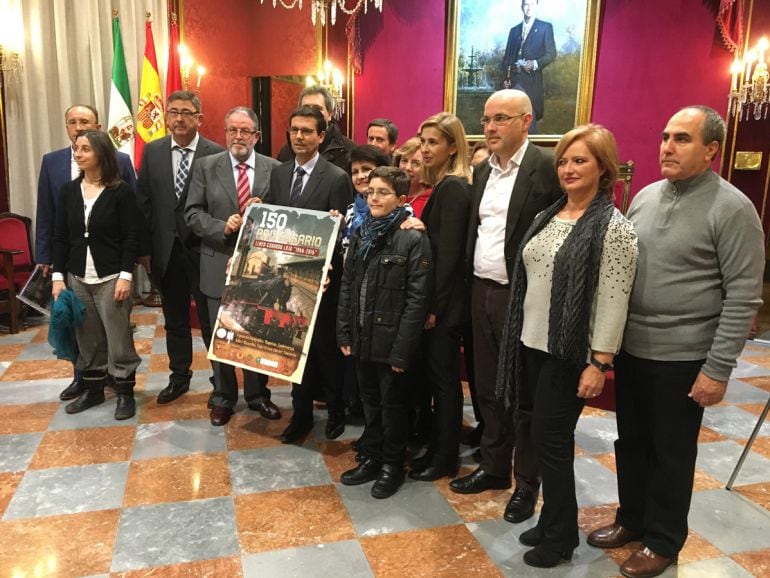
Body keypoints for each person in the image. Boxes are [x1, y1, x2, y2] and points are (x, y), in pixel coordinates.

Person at [587, 106, 764, 578]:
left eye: (682, 139)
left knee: (671, 453)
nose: (667, 146)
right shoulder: (644, 196)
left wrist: (717, 368)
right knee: (632, 443)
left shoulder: (733, 208)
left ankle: (663, 539)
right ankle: (632, 519)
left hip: (685, 356)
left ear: (711, 150)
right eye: (665, 136)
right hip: (634, 351)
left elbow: (744, 295)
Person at [496, 124, 638, 568]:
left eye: (580, 160)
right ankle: (552, 519)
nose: (569, 169)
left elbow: (613, 302)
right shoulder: (550, 213)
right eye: (563, 160)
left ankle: (560, 540)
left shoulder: (614, 229)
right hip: (531, 344)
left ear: (603, 168)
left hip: (569, 353)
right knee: (541, 439)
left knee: (551, 443)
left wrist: (599, 362)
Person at [450, 90, 562, 528]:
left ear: (525, 121)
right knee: (489, 387)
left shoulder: (547, 169)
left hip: (525, 296)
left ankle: (526, 484)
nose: (491, 127)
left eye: (500, 119)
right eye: (486, 119)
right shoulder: (482, 172)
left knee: (524, 395)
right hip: (482, 290)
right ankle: (494, 468)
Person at [261, 105, 355, 443]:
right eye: (294, 130)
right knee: (293, 348)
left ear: (321, 135)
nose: (299, 136)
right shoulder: (279, 173)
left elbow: (343, 234)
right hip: (286, 277)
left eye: (306, 131)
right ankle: (300, 415)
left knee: (326, 352)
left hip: (323, 281)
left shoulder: (336, 177)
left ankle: (335, 412)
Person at [337, 166, 433, 498]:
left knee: (393, 405)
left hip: (392, 340)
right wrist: (345, 332)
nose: (374, 197)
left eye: (382, 192)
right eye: (370, 192)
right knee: (370, 402)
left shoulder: (413, 239)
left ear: (402, 199)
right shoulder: (363, 232)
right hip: (364, 336)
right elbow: (348, 285)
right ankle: (372, 457)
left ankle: (393, 464)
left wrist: (402, 350)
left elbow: (417, 300)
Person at [185, 106, 282, 427]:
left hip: (260, 267)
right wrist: (220, 227)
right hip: (218, 262)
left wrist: (265, 209)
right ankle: (224, 397)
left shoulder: (275, 169)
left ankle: (258, 395)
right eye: (232, 130)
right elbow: (192, 214)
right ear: (225, 133)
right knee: (220, 334)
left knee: (254, 333)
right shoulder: (205, 167)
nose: (237, 137)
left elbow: (287, 216)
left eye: (245, 131)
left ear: (257, 135)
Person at [36, 105, 136, 402]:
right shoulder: (68, 190)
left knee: (118, 338)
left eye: (84, 149)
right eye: (76, 148)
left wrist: (127, 274)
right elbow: (58, 233)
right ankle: (92, 390)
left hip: (111, 275)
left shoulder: (119, 191)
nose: (77, 153)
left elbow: (131, 233)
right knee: (87, 337)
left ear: (100, 153)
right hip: (77, 275)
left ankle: (124, 393)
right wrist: (57, 276)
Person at [135, 90, 225, 405]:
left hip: (204, 252)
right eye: (173, 112)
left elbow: (220, 205)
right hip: (165, 252)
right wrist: (144, 251)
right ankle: (179, 376)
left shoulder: (216, 154)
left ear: (199, 118)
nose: (179, 118)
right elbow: (143, 203)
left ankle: (221, 381)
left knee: (211, 320)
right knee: (174, 319)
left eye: (186, 112)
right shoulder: (153, 151)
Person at [408, 112, 471, 481]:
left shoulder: (453, 187)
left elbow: (448, 257)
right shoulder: (446, 185)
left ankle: (445, 457)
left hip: (444, 307)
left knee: (444, 384)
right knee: (437, 381)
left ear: (452, 147)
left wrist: (433, 308)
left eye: (434, 142)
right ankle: (436, 448)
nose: (425, 148)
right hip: (441, 303)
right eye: (423, 140)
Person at [501, 0, 556, 132]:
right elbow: (507, 58)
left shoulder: (545, 27)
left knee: (529, 124)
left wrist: (535, 63)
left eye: (532, 4)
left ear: (537, 6)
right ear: (522, 7)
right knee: (510, 123)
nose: (529, 7)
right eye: (526, 4)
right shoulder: (514, 31)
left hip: (532, 83)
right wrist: (505, 79)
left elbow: (551, 54)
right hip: (513, 84)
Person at [277, 85, 354, 170]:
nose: (311, 113)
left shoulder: (349, 150)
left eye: (317, 109)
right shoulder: (287, 150)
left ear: (329, 114)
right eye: (306, 108)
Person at [342, 145, 391, 253]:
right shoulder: (350, 211)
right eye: (355, 172)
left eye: (366, 169)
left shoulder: (399, 210)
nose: (360, 176)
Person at [394, 137, 432, 219]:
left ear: (427, 168)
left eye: (416, 163)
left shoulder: (432, 198)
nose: (407, 167)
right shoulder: (390, 193)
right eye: (404, 160)